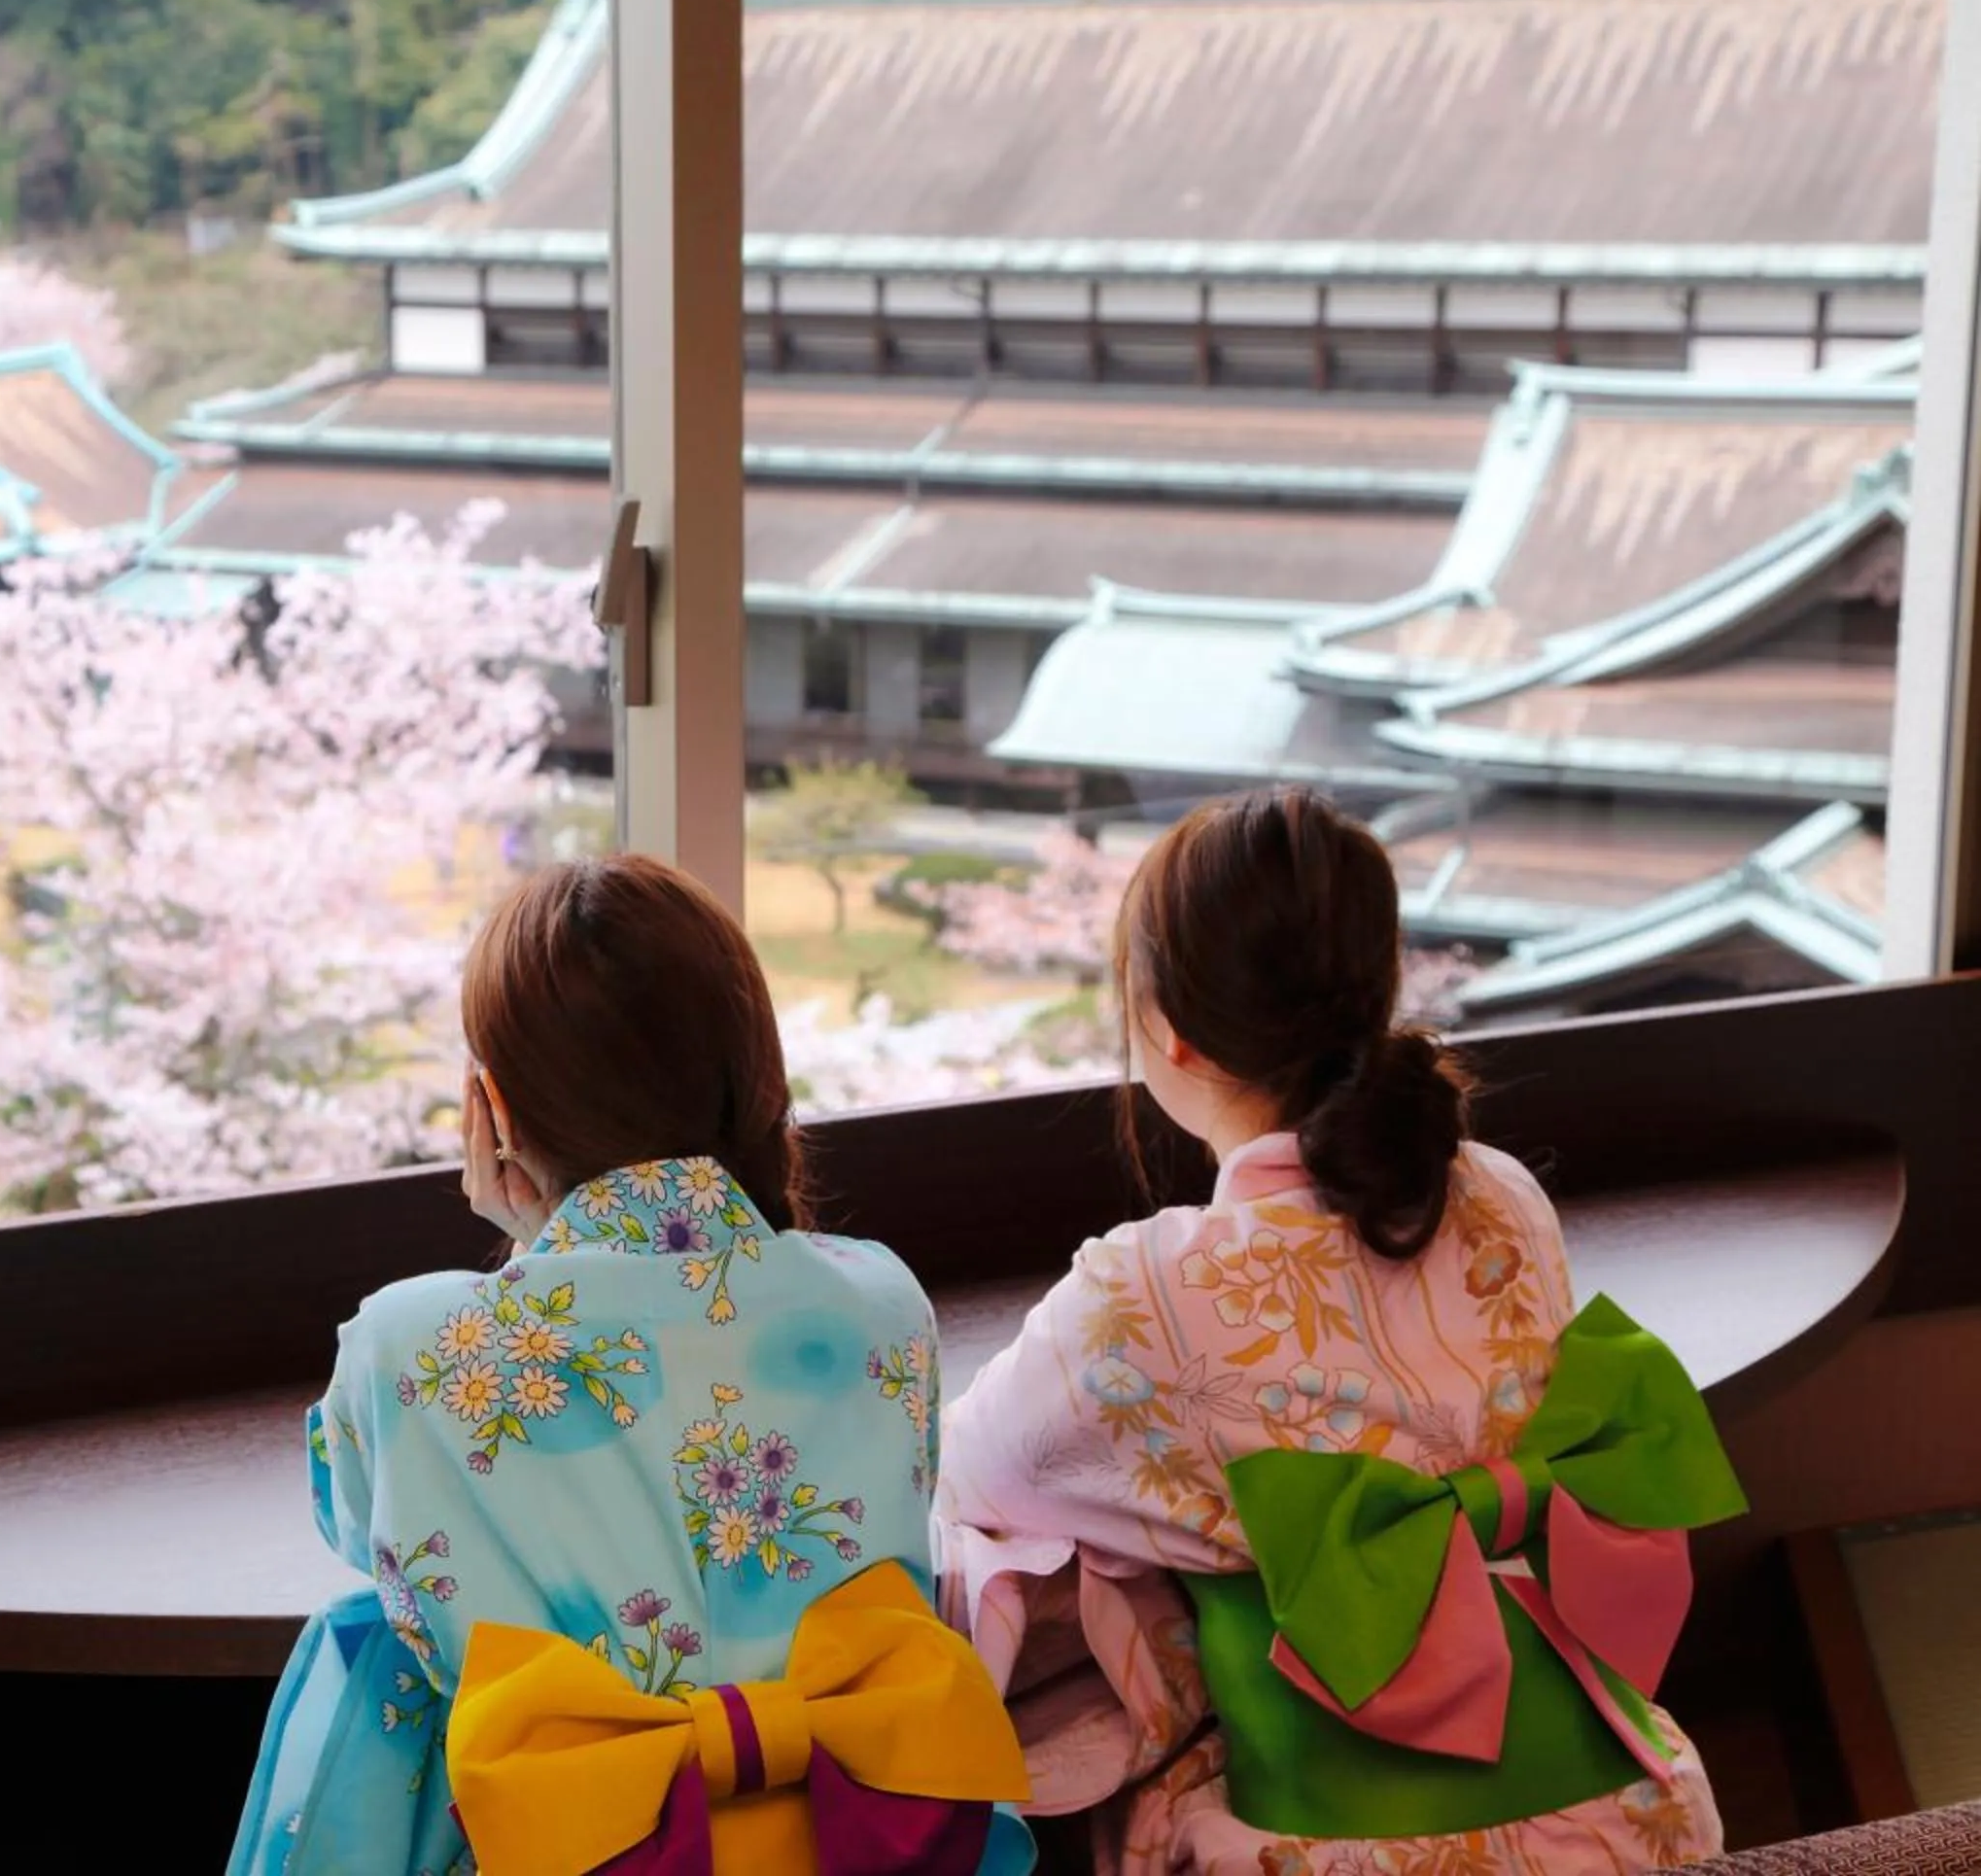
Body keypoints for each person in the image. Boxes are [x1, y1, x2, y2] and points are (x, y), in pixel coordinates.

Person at [937, 787, 1746, 1874]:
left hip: (1337, 1847)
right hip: (1630, 1818)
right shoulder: (1500, 1194)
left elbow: (968, 1472)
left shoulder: (1148, 1295)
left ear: (1171, 1031)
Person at [229, 852, 1034, 1876]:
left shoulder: (411, 1348)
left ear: (494, 1110)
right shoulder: (881, 1302)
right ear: (755, 1073)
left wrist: (534, 1251)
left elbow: (362, 1529)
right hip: (857, 1845)